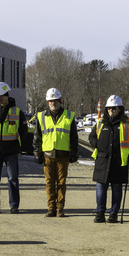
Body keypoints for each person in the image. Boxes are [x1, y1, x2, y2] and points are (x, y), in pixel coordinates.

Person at [90, 95, 129, 223]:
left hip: (119, 161)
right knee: (101, 188)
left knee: (117, 189)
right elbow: (92, 137)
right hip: (102, 161)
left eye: (114, 108)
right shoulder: (101, 122)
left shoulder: (127, 123)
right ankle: (100, 213)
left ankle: (113, 214)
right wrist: (98, 144)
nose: (112, 110)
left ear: (120, 109)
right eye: (109, 108)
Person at [33, 87, 79, 217]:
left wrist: (74, 153)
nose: (53, 103)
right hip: (47, 155)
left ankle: (60, 209)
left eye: (55, 100)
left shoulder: (69, 116)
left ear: (60, 101)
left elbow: (74, 138)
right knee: (49, 182)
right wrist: (37, 153)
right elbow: (37, 137)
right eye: (50, 101)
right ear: (48, 102)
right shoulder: (41, 116)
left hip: (63, 155)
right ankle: (50, 208)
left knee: (61, 182)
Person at [0, 82, 24, 214]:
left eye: (1, 96)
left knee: (13, 178)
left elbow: (23, 131)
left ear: (7, 95)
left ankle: (14, 206)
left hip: (11, 151)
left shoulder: (17, 112)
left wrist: (14, 143)